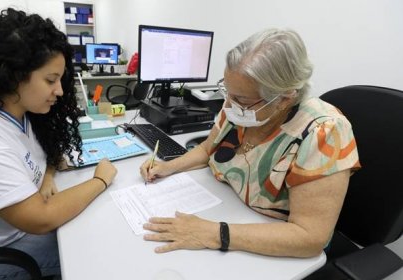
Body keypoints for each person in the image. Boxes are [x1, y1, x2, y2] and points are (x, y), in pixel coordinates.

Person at [0, 8, 117, 279]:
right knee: (94, 255)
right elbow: (41, 217)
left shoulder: (16, 110)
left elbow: (41, 154)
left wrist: (47, 175)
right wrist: (100, 180)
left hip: (7, 231)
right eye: (51, 80)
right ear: (13, 75)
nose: (59, 91)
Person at [140, 28, 360, 258]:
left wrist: (215, 233)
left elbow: (311, 237)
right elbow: (207, 149)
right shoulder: (239, 109)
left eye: (241, 98)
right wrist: (167, 167)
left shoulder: (324, 132)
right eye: (228, 92)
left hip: (266, 242)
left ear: (284, 98)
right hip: (225, 207)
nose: (228, 104)